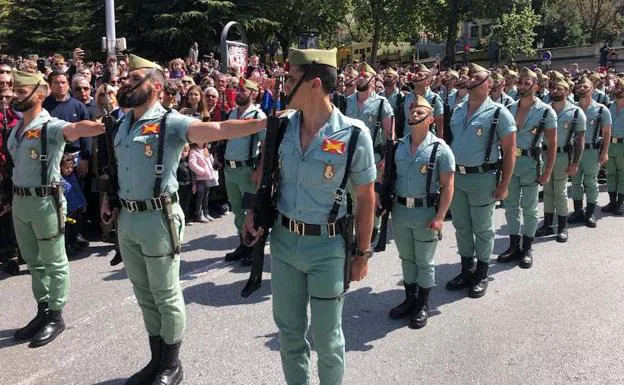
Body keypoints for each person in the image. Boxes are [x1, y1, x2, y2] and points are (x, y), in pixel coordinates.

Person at [99, 54, 266, 385]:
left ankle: (171, 366)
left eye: (135, 80)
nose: (126, 84)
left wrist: (265, 122)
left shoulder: (169, 122)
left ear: (157, 87)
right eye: (127, 79)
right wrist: (108, 198)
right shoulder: (121, 123)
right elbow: (118, 168)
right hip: (129, 219)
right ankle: (156, 360)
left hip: (158, 217)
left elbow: (217, 128)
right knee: (144, 293)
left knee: (165, 293)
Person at [243, 47, 376, 385]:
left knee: (327, 338)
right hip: (285, 243)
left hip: (328, 247)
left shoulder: (354, 134)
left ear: (314, 83)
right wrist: (252, 212)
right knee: (289, 333)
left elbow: (365, 198)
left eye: (290, 78)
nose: (284, 84)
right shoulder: (282, 127)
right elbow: (265, 175)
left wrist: (362, 253)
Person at [9, 69, 105, 347]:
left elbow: (74, 129)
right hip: (21, 202)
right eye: (14, 90)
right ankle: (42, 310)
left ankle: (55, 316)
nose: (15, 95)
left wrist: (99, 125)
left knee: (53, 260)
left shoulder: (49, 125)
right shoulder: (17, 128)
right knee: (33, 261)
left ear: (39, 94)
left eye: (20, 90)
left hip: (44, 202)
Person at [445, 63, 517, 298]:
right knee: (462, 226)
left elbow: (509, 151)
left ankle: (481, 273)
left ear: (488, 84)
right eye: (471, 76)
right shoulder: (457, 110)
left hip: (483, 178)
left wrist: (504, 184)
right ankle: (467, 269)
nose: (472, 79)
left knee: (483, 229)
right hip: (458, 177)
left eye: (479, 77)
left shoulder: (499, 113)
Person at [387, 95, 454, 329]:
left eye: (419, 113)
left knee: (424, 261)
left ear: (431, 119)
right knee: (407, 258)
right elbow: (388, 176)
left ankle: (423, 304)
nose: (414, 115)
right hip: (401, 210)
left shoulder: (440, 149)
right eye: (412, 112)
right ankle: (410, 298)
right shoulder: (398, 146)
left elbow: (447, 186)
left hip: (425, 212)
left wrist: (440, 217)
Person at [498, 67, 557, 269]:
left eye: (526, 83)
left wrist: (548, 171)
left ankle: (527, 248)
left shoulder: (546, 111)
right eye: (520, 82)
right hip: (510, 162)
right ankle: (514, 245)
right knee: (510, 206)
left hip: (531, 163)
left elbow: (552, 144)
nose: (522, 86)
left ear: (536, 86)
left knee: (530, 208)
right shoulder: (509, 108)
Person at [345, 62, 393, 250]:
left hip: (372, 156)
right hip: (350, 156)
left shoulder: (381, 103)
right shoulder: (346, 101)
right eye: (360, 76)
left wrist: (386, 159)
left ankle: (372, 234)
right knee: (353, 196)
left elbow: (390, 133)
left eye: (366, 76)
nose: (361, 78)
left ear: (374, 80)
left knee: (371, 198)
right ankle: (358, 232)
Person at [535, 76, 586, 242]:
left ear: (567, 91)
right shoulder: (544, 110)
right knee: (548, 190)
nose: (554, 91)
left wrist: (575, 162)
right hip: (544, 154)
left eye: (559, 88)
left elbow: (580, 140)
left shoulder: (576, 112)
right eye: (553, 88)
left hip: (563, 155)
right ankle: (548, 223)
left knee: (561, 192)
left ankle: (563, 226)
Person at [223, 78, 266, 265]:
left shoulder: (258, 115)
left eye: (242, 89)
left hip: (247, 169)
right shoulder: (232, 112)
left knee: (251, 211)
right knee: (237, 209)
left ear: (253, 93)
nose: (237, 92)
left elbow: (265, 146)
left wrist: (260, 170)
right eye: (236, 89)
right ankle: (243, 243)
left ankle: (253, 248)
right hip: (229, 169)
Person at [568, 75, 611, 227]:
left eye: (585, 87)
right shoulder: (572, 108)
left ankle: (590, 212)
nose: (581, 89)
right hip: (574, 151)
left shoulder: (601, 110)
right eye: (579, 87)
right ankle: (578, 211)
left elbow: (606, 133)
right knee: (575, 182)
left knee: (591, 182)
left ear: (592, 89)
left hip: (592, 151)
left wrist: (604, 152)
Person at [403, 63, 444, 138]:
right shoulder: (407, 97)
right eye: (415, 74)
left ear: (427, 81)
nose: (415, 76)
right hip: (407, 141)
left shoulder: (434, 99)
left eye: (420, 75)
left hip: (426, 142)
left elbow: (440, 127)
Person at [603, 77, 624, 215]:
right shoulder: (609, 106)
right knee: (610, 174)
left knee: (623, 175)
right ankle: (612, 201)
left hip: (623, 145)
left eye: (620, 88)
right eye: (615, 88)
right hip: (610, 144)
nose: (616, 90)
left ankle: (620, 203)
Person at [188, 143, 218, 223]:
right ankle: (199, 214)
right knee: (200, 197)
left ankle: (206, 213)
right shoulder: (193, 151)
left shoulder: (205, 149)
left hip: (207, 177)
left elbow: (211, 162)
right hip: (200, 179)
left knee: (206, 196)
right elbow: (192, 164)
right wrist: (202, 171)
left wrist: (210, 157)